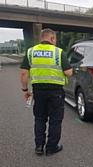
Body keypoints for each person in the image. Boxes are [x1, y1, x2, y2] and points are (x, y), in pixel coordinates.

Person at [20, 28, 72, 156]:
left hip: (38, 91)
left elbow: (24, 72)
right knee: (55, 119)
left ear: (41, 38)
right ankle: (51, 147)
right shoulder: (58, 52)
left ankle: (39, 146)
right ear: (52, 38)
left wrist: (25, 89)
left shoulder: (30, 52)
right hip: (56, 92)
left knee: (40, 118)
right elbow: (68, 72)